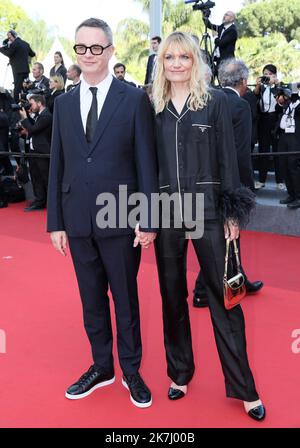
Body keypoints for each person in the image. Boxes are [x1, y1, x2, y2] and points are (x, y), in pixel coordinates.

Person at [151, 31, 265, 421]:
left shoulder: (214, 102)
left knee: (225, 298)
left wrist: (233, 212)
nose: (177, 64)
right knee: (171, 295)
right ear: (161, 62)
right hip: (166, 212)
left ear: (195, 61)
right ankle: (180, 373)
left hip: (209, 211)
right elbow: (145, 165)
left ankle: (245, 388)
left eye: (184, 57)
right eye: (170, 57)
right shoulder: (152, 105)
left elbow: (228, 161)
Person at [47, 18, 158, 408]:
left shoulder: (133, 99)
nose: (89, 55)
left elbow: (147, 162)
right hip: (76, 219)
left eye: (97, 47)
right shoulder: (61, 103)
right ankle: (102, 366)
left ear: (110, 51)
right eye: (82, 48)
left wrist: (150, 217)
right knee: (91, 299)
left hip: (121, 218)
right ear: (75, 52)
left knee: (125, 299)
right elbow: (57, 164)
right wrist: (55, 223)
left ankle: (130, 369)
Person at [193, 58, 263, 308]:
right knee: (226, 236)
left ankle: (237, 278)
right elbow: (240, 151)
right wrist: (245, 187)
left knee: (224, 237)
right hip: (229, 182)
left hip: (204, 180)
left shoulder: (206, 100)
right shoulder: (239, 105)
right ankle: (203, 289)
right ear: (243, 82)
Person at [19, 94, 52, 211]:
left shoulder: (47, 116)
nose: (30, 106)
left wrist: (24, 119)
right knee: (35, 178)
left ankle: (51, 204)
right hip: (33, 152)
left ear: (39, 103)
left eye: (31, 103)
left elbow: (33, 129)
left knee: (46, 178)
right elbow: (32, 126)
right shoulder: (38, 116)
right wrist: (27, 115)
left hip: (42, 153)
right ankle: (39, 201)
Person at [253, 64, 284, 190]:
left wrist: (276, 85)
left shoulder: (279, 87)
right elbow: (254, 97)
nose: (268, 76)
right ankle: (261, 180)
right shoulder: (262, 88)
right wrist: (258, 85)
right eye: (265, 74)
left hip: (275, 120)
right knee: (263, 150)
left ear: (275, 75)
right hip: (263, 120)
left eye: (270, 74)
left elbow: (282, 101)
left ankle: (279, 181)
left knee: (277, 151)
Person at [277, 88, 300, 209]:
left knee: (293, 167)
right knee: (284, 165)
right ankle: (291, 194)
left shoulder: (298, 105)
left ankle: (298, 196)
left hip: (295, 139)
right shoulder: (287, 104)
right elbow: (276, 108)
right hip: (284, 136)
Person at [0, 30, 36, 101]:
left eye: (9, 37)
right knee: (26, 88)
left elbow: (9, 53)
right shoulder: (26, 44)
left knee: (17, 88)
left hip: (17, 70)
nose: (8, 39)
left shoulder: (15, 43)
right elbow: (32, 54)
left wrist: (0, 49)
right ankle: (26, 103)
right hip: (26, 70)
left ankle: (16, 105)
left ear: (14, 36)